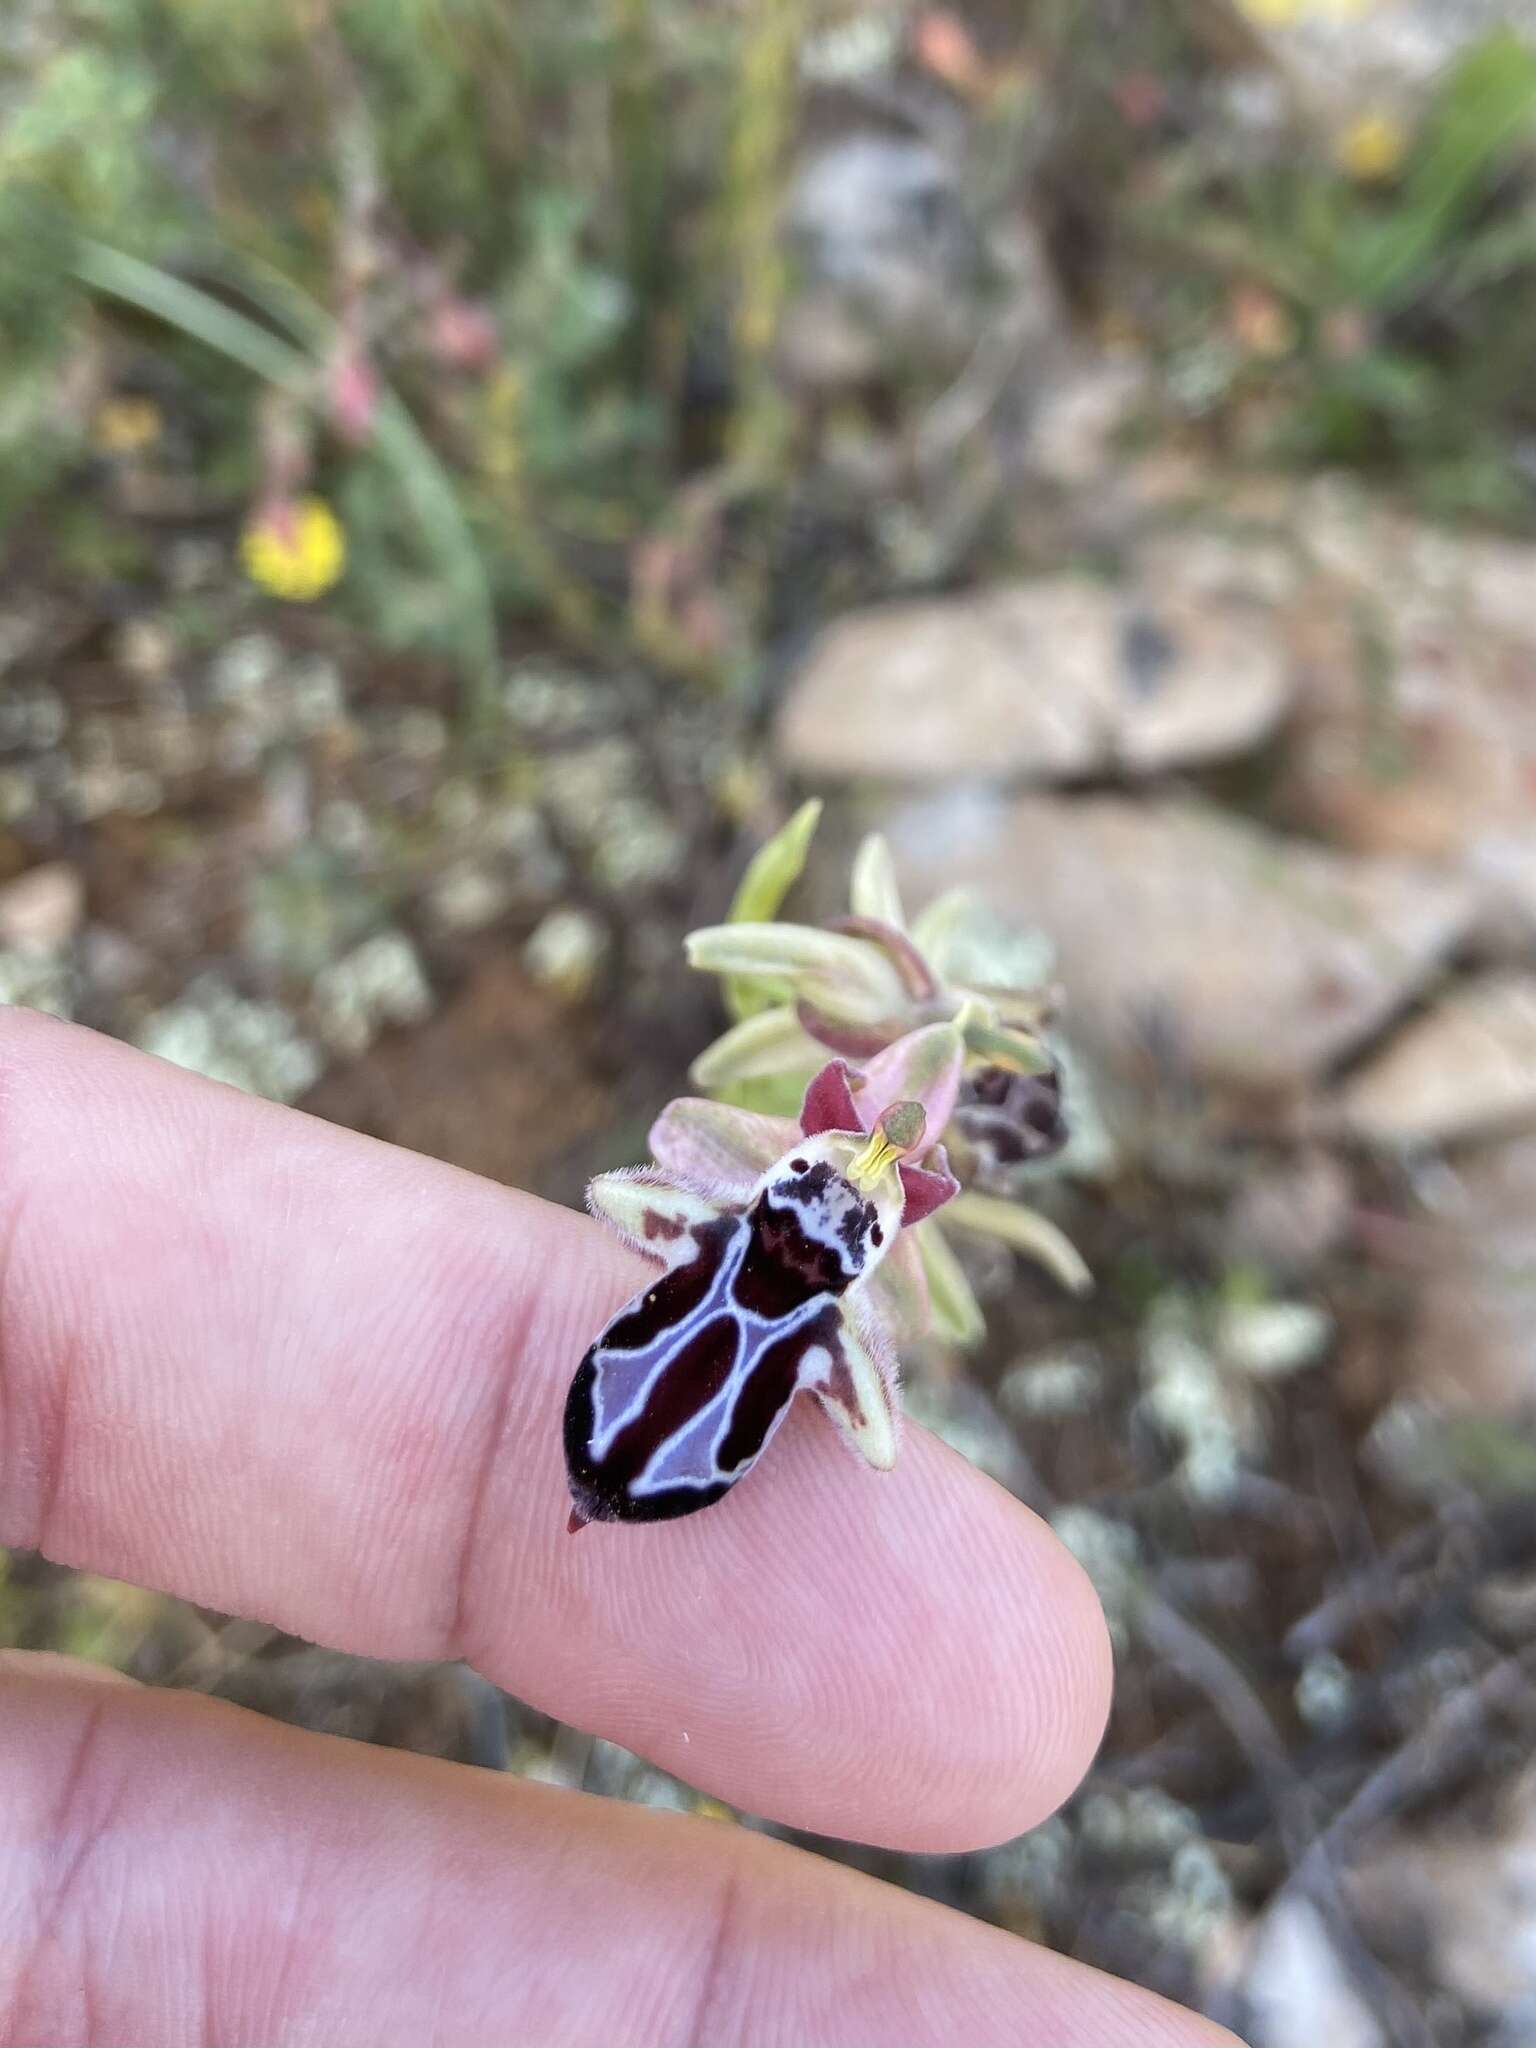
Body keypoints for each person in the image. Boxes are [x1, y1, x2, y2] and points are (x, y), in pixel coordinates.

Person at [0, 1009, 1237, 2045]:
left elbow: (857, 1406)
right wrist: (820, 1203)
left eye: (871, 1176)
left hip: (736, 1317)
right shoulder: (764, 1222)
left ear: (891, 1212)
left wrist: (827, 1224)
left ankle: (633, 1456)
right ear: (813, 1148)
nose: (857, 1175)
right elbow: (650, 1203)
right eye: (848, 1161)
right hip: (698, 1321)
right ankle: (624, 1457)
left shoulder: (837, 1303)